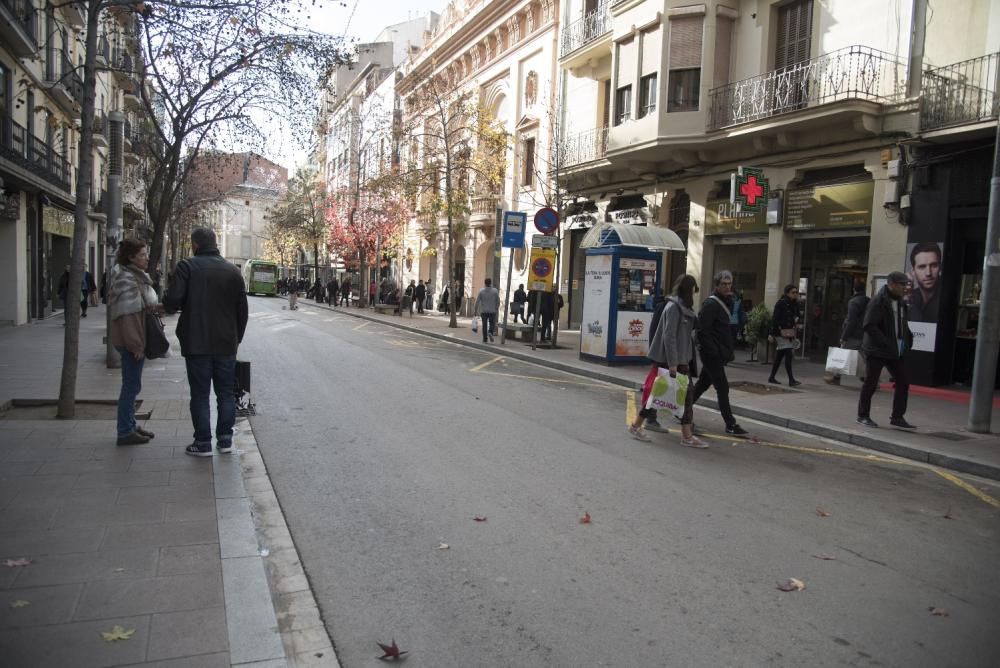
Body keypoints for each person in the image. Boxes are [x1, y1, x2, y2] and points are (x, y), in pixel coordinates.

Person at [164, 228, 249, 457]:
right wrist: (236, 338)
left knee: (200, 394)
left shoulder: (187, 267)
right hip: (226, 343)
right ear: (215, 243)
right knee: (225, 393)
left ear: (195, 245)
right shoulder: (233, 271)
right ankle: (225, 440)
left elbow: (172, 301)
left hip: (196, 341)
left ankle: (202, 443)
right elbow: (243, 311)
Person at [630, 275, 706, 447]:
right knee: (675, 396)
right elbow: (669, 336)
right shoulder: (674, 308)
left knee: (660, 396)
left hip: (680, 360)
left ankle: (636, 426)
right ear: (688, 290)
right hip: (673, 361)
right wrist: (673, 364)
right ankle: (686, 437)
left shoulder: (682, 307)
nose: (694, 294)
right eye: (693, 290)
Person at [108, 240, 161, 446]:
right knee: (130, 387)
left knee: (132, 385)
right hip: (131, 341)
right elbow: (127, 316)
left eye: (146, 254)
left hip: (133, 339)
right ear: (130, 258)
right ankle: (124, 432)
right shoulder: (126, 279)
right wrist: (136, 345)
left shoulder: (134, 276)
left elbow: (142, 307)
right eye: (142, 255)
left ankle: (130, 424)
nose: (146, 258)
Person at [690, 270, 749, 437]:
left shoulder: (727, 301)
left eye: (729, 283)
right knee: (722, 387)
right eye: (724, 283)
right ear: (717, 285)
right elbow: (702, 330)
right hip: (712, 355)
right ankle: (730, 424)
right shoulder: (711, 304)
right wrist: (714, 351)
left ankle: (681, 411)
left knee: (702, 384)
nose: (727, 286)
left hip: (719, 353)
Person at [857, 271, 915, 429]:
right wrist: (884, 342)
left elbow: (901, 323)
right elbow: (869, 325)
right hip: (877, 350)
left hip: (894, 351)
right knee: (871, 383)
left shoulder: (901, 302)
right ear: (892, 284)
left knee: (903, 382)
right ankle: (863, 415)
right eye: (902, 284)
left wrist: (909, 337)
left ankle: (897, 417)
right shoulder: (878, 301)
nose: (905, 287)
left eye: (906, 284)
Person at [827, 280, 869, 385]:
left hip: (854, 334)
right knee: (866, 357)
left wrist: (844, 336)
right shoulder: (869, 300)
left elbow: (851, 321)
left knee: (841, 354)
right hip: (865, 334)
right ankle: (870, 379)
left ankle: (836, 378)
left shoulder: (854, 302)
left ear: (854, 289)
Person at [768, 284, 802, 386]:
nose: (795, 294)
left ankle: (771, 377)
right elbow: (774, 319)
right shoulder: (781, 303)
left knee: (779, 356)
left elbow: (798, 316)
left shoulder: (795, 304)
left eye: (796, 292)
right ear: (787, 293)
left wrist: (797, 320)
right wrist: (771, 333)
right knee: (788, 354)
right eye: (793, 292)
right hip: (781, 333)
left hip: (790, 333)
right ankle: (791, 380)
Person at [907, 241, 942, 322]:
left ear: (940, 267)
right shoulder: (912, 296)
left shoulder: (946, 297)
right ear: (913, 271)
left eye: (933, 265)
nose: (928, 273)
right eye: (922, 267)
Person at [473, 277, 500, 343]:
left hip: (484, 311)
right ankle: (490, 332)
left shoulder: (481, 291)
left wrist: (475, 310)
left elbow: (477, 301)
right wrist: (497, 307)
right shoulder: (495, 291)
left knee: (484, 325)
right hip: (492, 311)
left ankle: (485, 339)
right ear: (491, 283)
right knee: (492, 323)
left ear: (485, 283)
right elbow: (498, 300)